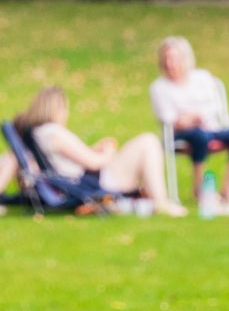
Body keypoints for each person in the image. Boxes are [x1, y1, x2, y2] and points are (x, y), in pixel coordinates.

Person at [13, 86, 182, 215]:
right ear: (57, 109)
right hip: (93, 182)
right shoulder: (55, 133)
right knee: (148, 142)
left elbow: (68, 158)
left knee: (144, 145)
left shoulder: (39, 133)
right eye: (65, 108)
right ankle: (160, 201)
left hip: (79, 181)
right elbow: (93, 163)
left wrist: (95, 148)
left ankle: (151, 200)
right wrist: (107, 153)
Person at [148, 37, 229, 206]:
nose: (170, 63)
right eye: (166, 59)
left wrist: (197, 116)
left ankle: (228, 187)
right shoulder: (159, 87)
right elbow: (167, 118)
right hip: (180, 133)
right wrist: (187, 119)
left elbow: (214, 107)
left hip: (211, 126)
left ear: (185, 59)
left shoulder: (202, 78)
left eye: (174, 58)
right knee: (199, 136)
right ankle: (199, 187)